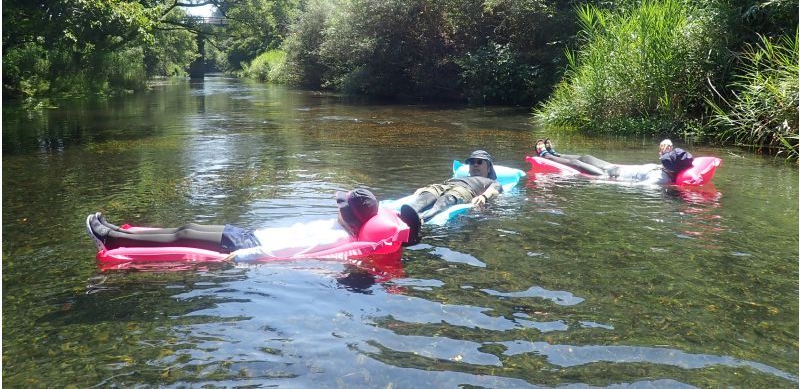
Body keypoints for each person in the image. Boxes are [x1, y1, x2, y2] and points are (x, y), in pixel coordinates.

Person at [86, 189, 422, 262]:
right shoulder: (339, 228)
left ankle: (111, 239)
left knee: (184, 234)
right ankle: (120, 232)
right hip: (245, 234)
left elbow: (289, 251)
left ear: (348, 215)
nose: (335, 207)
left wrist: (240, 258)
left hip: (242, 246)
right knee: (185, 228)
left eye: (340, 205)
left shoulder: (332, 239)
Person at [404, 150, 503, 222]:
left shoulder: (492, 182)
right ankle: (406, 213)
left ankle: (422, 219)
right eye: (472, 163)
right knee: (431, 192)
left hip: (465, 190)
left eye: (479, 162)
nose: (475, 165)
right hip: (448, 184)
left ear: (489, 168)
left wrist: (483, 197)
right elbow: (442, 185)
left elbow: (493, 191)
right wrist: (426, 188)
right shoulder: (459, 177)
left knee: (449, 197)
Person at [534, 138, 619, 177]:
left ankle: (546, 155)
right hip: (614, 169)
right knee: (586, 157)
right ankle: (556, 155)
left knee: (575, 163)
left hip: (610, 175)